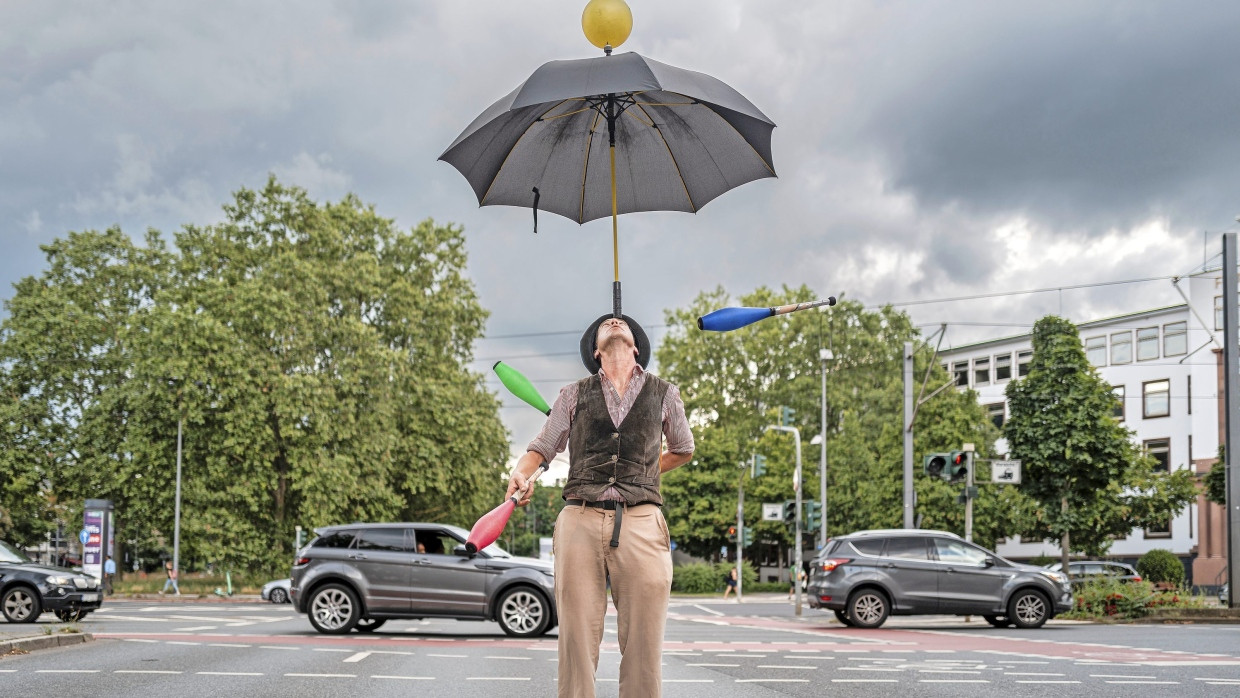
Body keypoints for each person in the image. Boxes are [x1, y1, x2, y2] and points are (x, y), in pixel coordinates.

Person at [506, 314, 694, 698]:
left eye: (620, 322)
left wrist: (644, 469)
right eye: (605, 324)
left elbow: (683, 448)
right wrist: (519, 474)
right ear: (596, 350)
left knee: (644, 645)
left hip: (642, 521)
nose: (613, 321)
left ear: (636, 346)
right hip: (579, 518)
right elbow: (542, 448)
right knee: (575, 640)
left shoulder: (664, 392)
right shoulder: (573, 394)